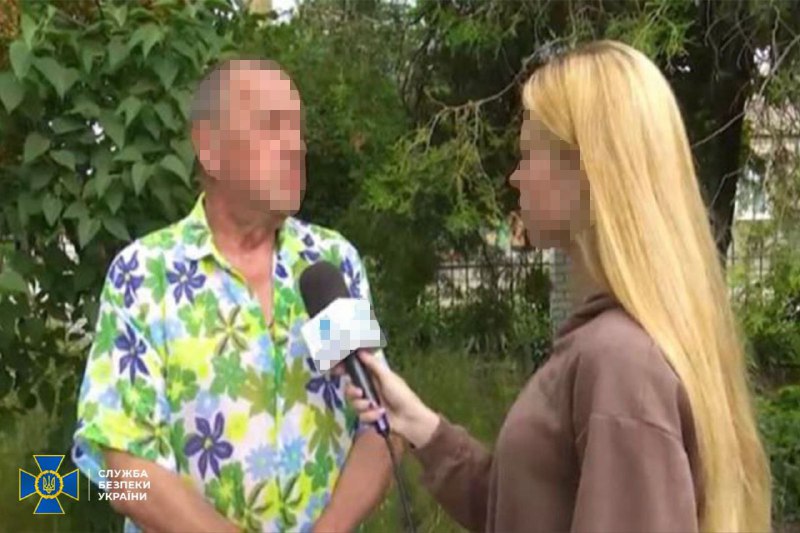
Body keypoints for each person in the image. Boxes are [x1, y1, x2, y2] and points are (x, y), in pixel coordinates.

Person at [344, 40, 772, 533]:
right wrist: (421, 425)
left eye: (528, 153)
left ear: (588, 170)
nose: (514, 176)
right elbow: (530, 513)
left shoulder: (620, 364)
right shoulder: (615, 347)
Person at [72, 58, 401, 533]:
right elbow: (123, 475)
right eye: (272, 126)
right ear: (209, 149)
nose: (296, 145)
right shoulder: (144, 275)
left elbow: (378, 423)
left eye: (298, 129)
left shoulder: (328, 264)